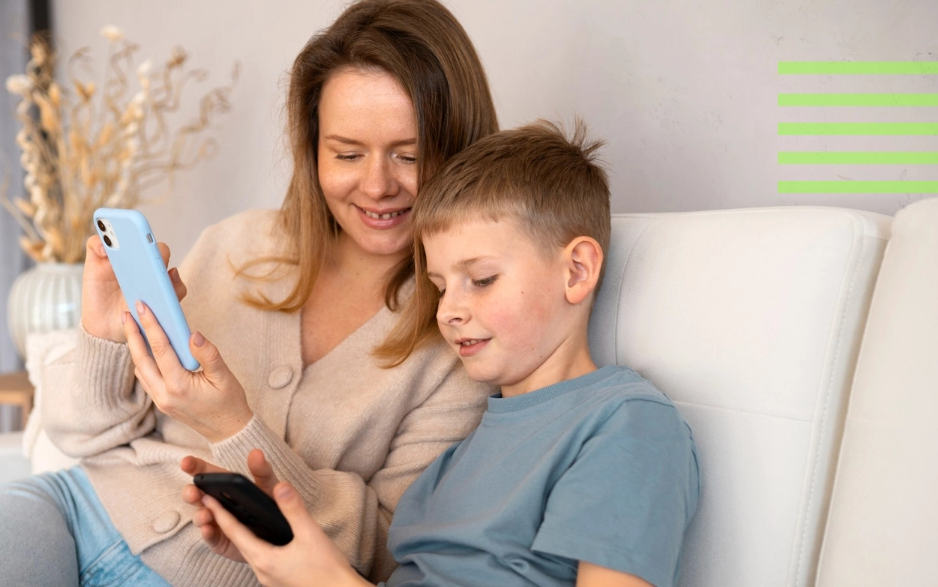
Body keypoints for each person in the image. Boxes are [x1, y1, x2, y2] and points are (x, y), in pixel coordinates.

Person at [0, 0, 498, 587]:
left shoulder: (462, 338)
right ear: (313, 150)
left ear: (459, 150)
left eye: (410, 156)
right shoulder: (238, 246)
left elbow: (386, 551)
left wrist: (233, 423)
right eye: (347, 153)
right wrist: (103, 339)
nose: (377, 184)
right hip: (74, 514)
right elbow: (81, 434)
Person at [184, 120, 701, 587]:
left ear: (577, 271)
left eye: (481, 280)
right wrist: (283, 559)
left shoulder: (623, 425)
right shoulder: (458, 454)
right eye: (439, 286)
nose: (449, 311)